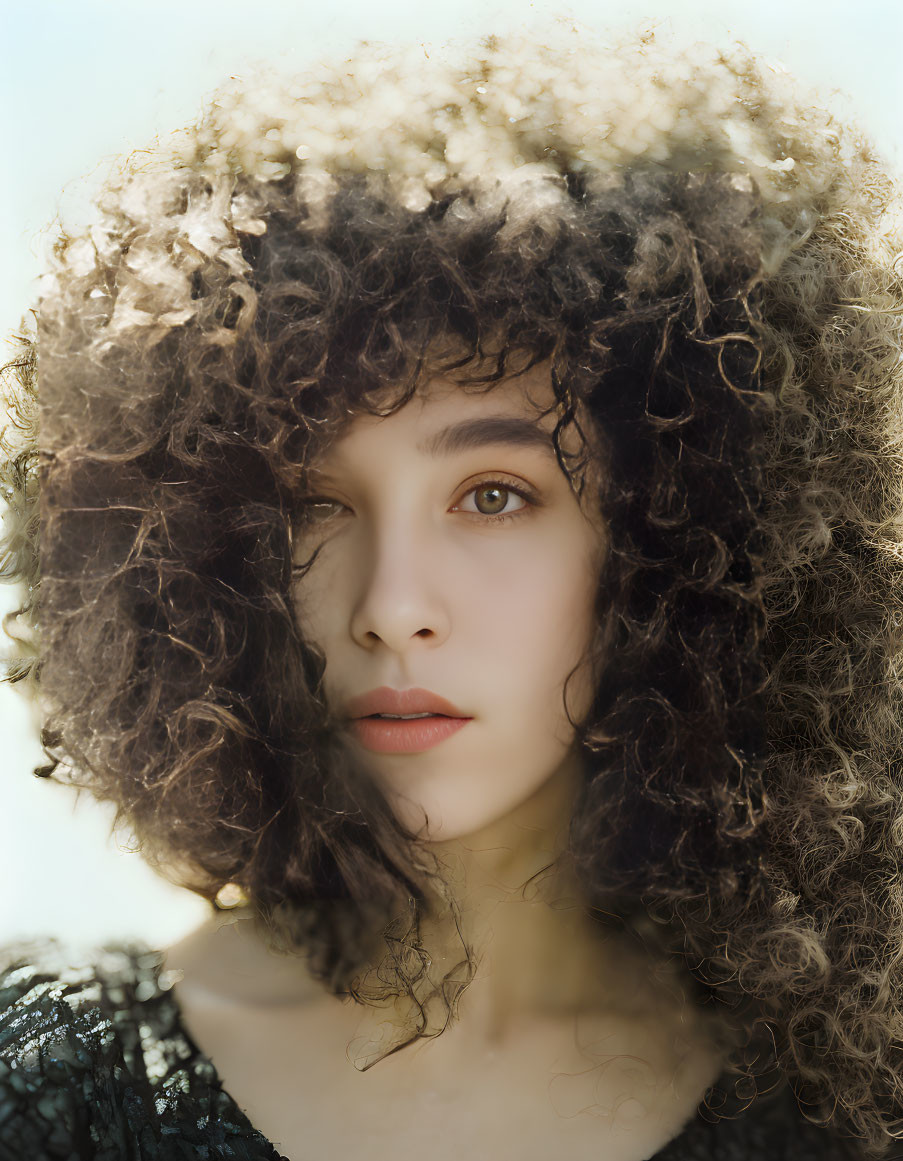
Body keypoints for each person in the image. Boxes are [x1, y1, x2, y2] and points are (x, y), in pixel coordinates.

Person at [0, 18, 901, 1161]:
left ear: (682, 537)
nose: (392, 606)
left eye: (493, 495)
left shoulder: (844, 1110)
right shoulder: (47, 1088)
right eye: (313, 506)